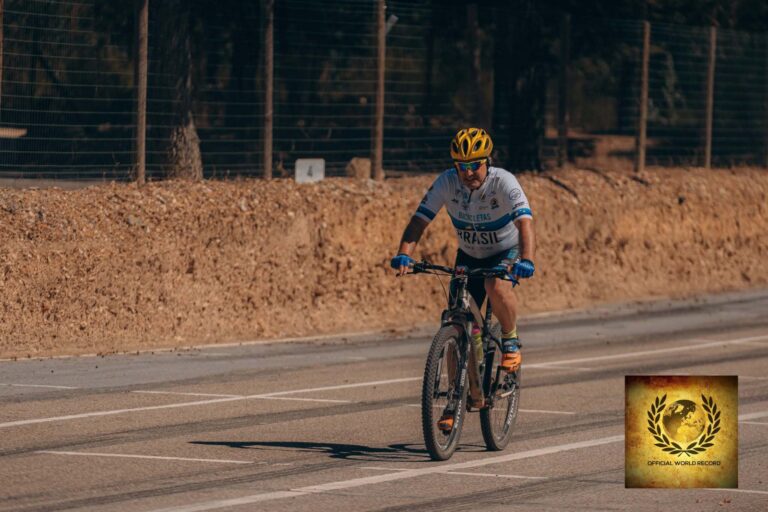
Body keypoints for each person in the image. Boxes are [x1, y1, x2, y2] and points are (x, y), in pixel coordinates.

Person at [390, 127, 536, 431]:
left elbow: (525, 223)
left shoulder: (504, 182)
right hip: (468, 255)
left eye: (475, 165)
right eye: (462, 166)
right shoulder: (447, 182)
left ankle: (510, 342)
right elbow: (419, 219)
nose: (468, 173)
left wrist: (526, 259)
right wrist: (404, 253)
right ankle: (458, 401)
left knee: (495, 286)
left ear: (488, 161)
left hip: (503, 251)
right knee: (457, 322)